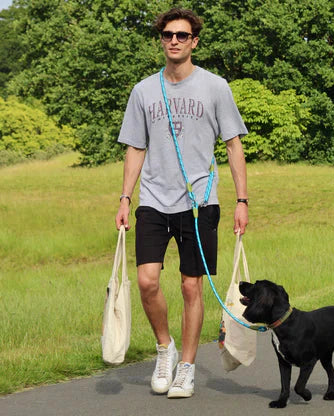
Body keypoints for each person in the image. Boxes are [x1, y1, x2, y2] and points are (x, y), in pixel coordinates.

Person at [115, 7, 248, 399]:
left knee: (192, 287)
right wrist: (125, 196)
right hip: (154, 199)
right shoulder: (143, 91)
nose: (174, 40)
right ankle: (165, 348)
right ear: (161, 39)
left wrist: (242, 200)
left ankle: (186, 366)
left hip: (200, 201)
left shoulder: (215, 87)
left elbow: (233, 145)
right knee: (146, 280)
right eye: (168, 34)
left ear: (194, 41)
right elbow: (135, 147)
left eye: (182, 35)